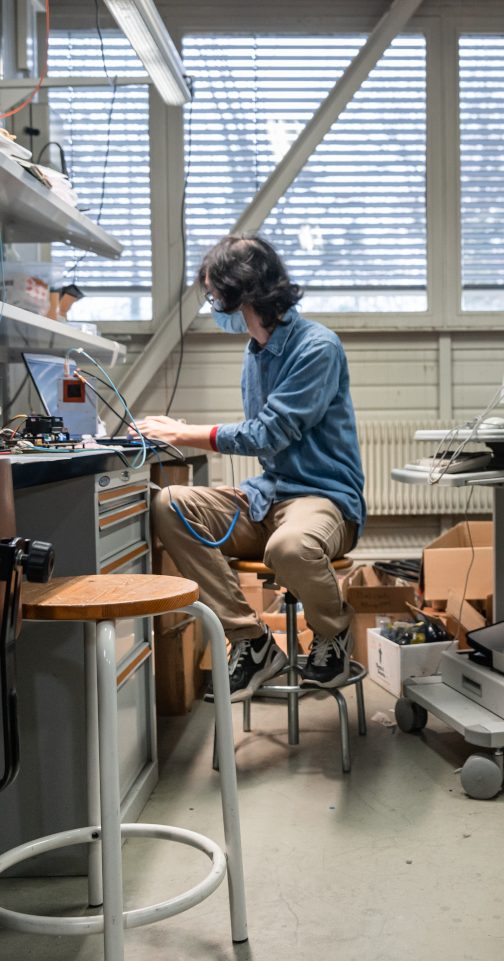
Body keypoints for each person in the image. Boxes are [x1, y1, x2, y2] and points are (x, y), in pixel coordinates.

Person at [136, 234, 366, 700]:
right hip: (268, 494)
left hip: (323, 498)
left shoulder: (317, 347)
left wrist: (180, 433)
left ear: (241, 292)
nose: (213, 304)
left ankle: (333, 633)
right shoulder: (255, 351)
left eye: (214, 293)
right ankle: (252, 640)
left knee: (291, 547)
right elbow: (260, 436)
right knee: (170, 504)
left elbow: (268, 433)